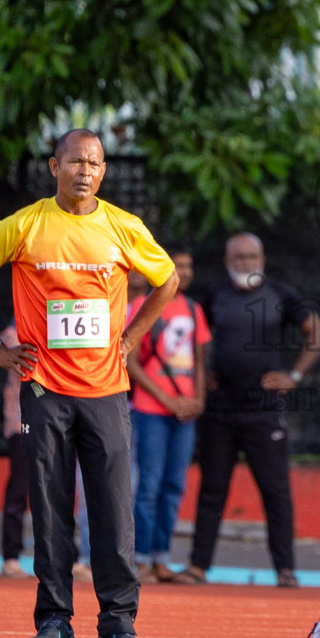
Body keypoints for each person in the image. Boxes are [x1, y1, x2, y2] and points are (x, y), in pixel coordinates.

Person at [0, 129, 177, 638]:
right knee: (51, 508)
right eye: (75, 161)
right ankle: (54, 621)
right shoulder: (25, 225)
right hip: (44, 389)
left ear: (103, 171)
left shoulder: (124, 227)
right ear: (54, 166)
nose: (85, 171)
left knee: (113, 509)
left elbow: (166, 280)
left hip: (106, 389)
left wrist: (134, 336)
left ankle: (119, 623)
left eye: (94, 164)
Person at [177, 233, 320, 588]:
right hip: (220, 410)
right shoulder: (215, 297)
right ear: (228, 261)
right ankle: (198, 567)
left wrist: (293, 375)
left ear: (262, 257)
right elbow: (194, 342)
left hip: (264, 411)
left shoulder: (281, 294)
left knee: (276, 492)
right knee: (212, 489)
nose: (247, 262)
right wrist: (203, 377)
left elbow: (318, 333)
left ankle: (285, 570)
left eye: (253, 256)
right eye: (239, 257)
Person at [125, 248, 210, 583]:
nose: (185, 272)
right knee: (148, 486)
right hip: (151, 410)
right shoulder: (141, 306)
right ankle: (141, 559)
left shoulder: (193, 309)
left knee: (174, 485)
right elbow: (130, 362)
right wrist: (167, 399)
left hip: (185, 413)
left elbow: (201, 360)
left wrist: (199, 399)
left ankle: (162, 557)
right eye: (178, 266)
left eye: (188, 265)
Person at [0, 321, 33, 578]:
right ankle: (10, 556)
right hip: (21, 422)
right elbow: (28, 363)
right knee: (19, 489)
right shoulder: (13, 332)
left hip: (54, 422)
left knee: (59, 490)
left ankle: (70, 556)